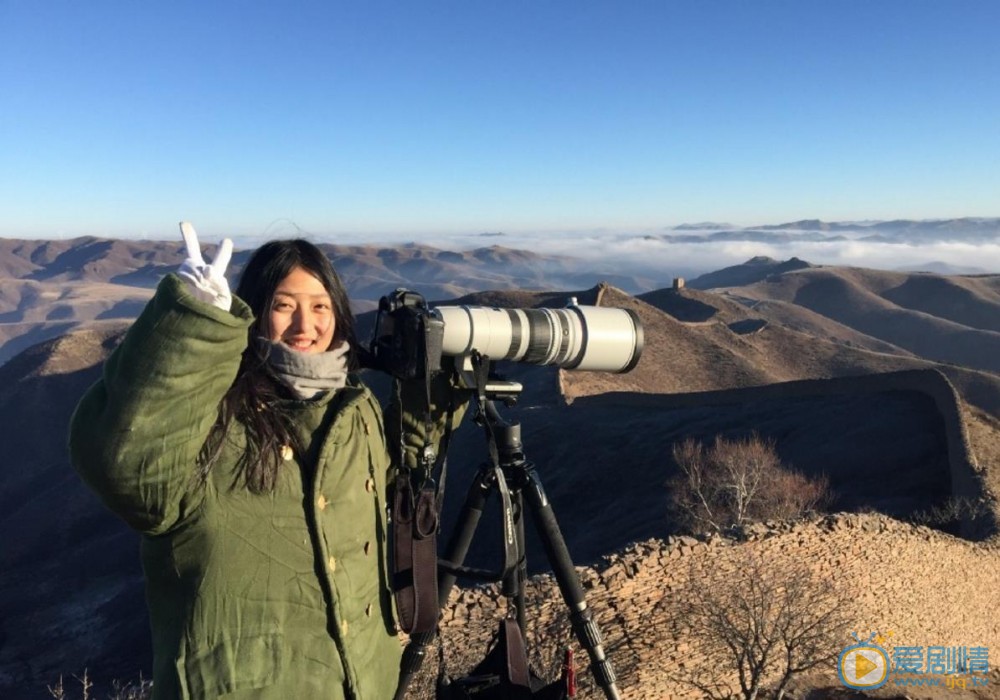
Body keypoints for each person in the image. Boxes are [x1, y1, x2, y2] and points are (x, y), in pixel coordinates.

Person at [69, 223, 466, 699]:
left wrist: (438, 387)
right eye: (284, 306)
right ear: (255, 312)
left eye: (320, 306)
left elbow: (391, 481)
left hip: (361, 683)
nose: (306, 326)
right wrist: (192, 326)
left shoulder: (353, 406)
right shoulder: (215, 416)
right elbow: (126, 466)